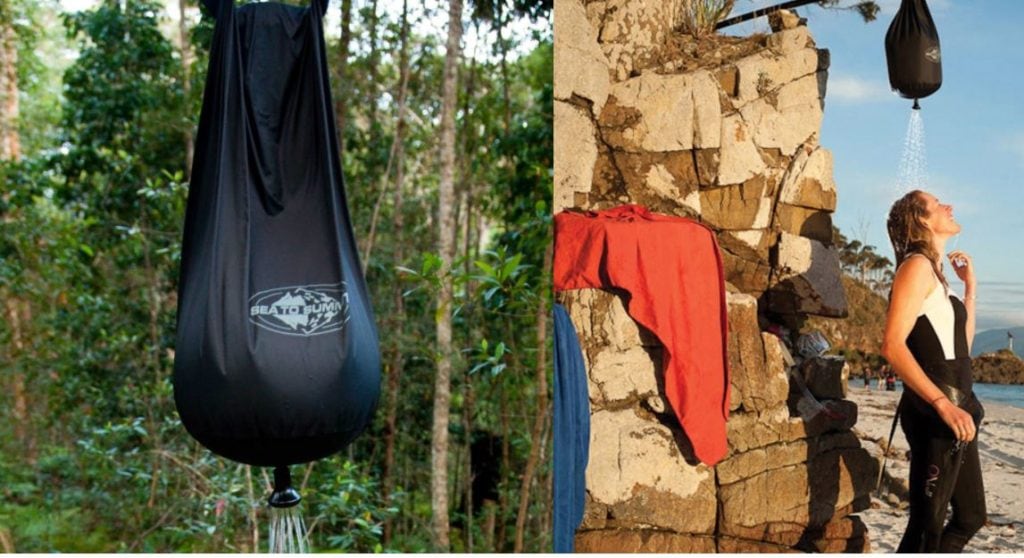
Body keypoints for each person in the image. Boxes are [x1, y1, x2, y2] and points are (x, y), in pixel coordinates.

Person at [881, 190, 986, 553]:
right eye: (938, 204)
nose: (949, 206)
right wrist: (942, 404)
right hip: (938, 414)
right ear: (922, 220)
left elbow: (961, 347)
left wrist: (970, 289)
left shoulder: (936, 274)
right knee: (926, 527)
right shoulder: (916, 268)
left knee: (970, 518)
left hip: (960, 410)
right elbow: (892, 345)